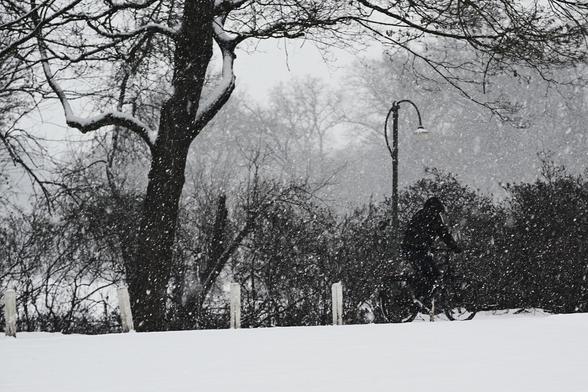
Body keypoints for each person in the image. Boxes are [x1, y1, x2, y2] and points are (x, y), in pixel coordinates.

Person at [401, 196, 462, 303]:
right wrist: (454, 247)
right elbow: (444, 234)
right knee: (432, 273)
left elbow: (417, 232)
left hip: (409, 248)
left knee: (423, 272)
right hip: (417, 249)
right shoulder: (433, 216)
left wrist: (426, 245)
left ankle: (418, 295)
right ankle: (420, 297)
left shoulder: (420, 214)